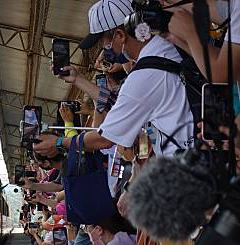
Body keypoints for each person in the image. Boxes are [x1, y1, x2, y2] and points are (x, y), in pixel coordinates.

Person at [34, 0, 194, 159]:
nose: (105, 50)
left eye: (104, 44)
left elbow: (104, 139)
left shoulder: (142, 77)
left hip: (190, 165)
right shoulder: (168, 44)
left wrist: (60, 141)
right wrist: (77, 79)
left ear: (119, 35)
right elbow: (116, 101)